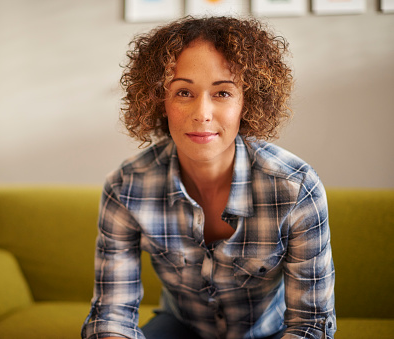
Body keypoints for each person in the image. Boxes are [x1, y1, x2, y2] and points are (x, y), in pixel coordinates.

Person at [81, 16, 336, 339]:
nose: (202, 113)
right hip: (180, 326)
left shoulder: (296, 187)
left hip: (273, 332)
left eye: (223, 93)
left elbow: (310, 324)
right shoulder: (126, 188)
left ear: (248, 101)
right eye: (184, 92)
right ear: (160, 100)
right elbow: (111, 315)